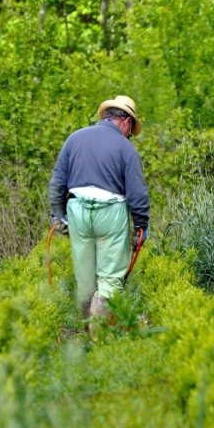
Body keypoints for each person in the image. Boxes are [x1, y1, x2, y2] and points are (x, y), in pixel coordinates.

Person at [49, 95, 150, 320]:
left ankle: (87, 329)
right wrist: (142, 225)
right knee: (111, 277)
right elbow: (137, 193)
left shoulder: (74, 139)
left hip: (77, 210)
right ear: (126, 122)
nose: (129, 136)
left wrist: (58, 215)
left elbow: (57, 181)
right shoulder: (126, 149)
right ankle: (103, 335)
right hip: (111, 213)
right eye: (130, 130)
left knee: (84, 277)